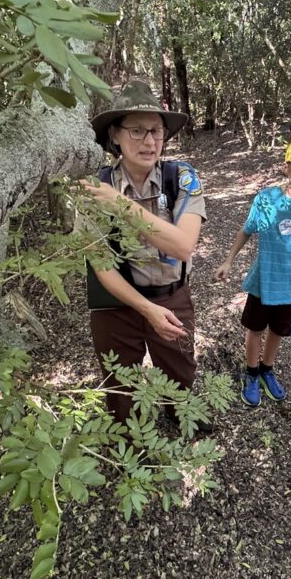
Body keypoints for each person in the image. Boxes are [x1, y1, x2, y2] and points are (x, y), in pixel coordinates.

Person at [82, 80, 209, 429]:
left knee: (180, 369)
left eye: (156, 131)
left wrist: (120, 205)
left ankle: (182, 417)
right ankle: (128, 439)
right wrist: (147, 310)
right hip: (116, 304)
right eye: (137, 131)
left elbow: (184, 245)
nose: (150, 141)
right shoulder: (96, 188)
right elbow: (101, 267)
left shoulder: (181, 177)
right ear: (115, 135)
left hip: (173, 296)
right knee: (120, 383)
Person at [214, 129, 291, 407]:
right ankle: (251, 372)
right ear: (286, 167)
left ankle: (267, 369)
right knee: (255, 328)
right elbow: (246, 230)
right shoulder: (266, 198)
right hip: (263, 280)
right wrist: (229, 260)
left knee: (278, 331)